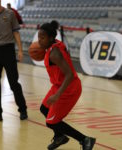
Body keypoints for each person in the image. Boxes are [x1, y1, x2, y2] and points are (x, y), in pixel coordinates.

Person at [38, 22, 96, 150]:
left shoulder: (54, 54)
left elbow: (69, 74)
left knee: (51, 122)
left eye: (42, 38)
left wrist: (57, 95)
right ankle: (60, 137)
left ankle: (85, 140)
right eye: (39, 37)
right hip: (59, 85)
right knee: (44, 109)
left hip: (69, 88)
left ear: (51, 38)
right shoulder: (54, 44)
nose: (39, 41)